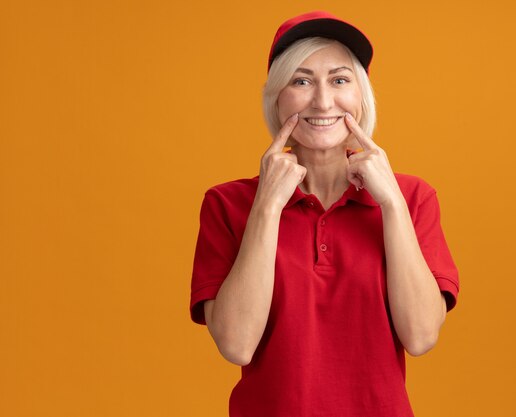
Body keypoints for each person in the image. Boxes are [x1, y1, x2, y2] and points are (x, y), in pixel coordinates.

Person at [189, 11, 459, 417]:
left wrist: (391, 204)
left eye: (339, 80)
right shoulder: (227, 204)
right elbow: (236, 344)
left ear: (360, 96)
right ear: (277, 97)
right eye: (301, 81)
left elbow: (420, 336)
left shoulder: (412, 197)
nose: (322, 101)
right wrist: (267, 205)